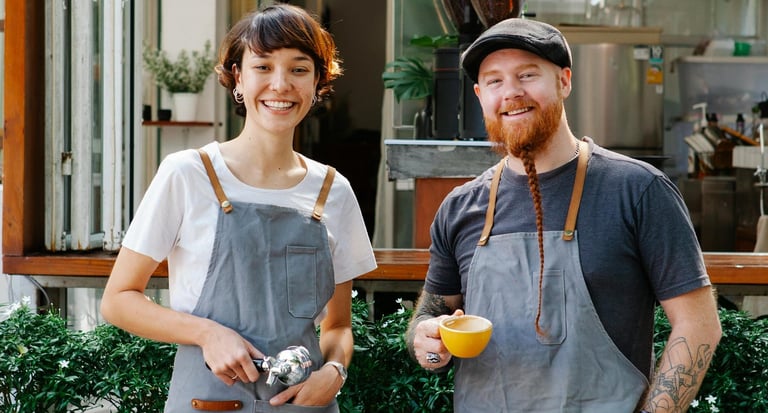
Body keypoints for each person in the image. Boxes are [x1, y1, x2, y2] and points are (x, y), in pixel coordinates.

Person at [405, 18, 722, 413]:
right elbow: (432, 313)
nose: (511, 92)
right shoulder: (460, 207)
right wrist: (425, 340)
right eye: (494, 81)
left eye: (527, 74)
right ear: (480, 95)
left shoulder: (638, 191)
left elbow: (698, 324)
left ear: (564, 81)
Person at [101, 4, 376, 412]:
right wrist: (207, 333)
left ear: (318, 82)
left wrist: (334, 372)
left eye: (299, 69)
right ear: (238, 78)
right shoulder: (188, 173)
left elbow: (337, 326)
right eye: (263, 67)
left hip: (304, 404)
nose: (280, 85)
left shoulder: (333, 191)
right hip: (206, 401)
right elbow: (118, 300)